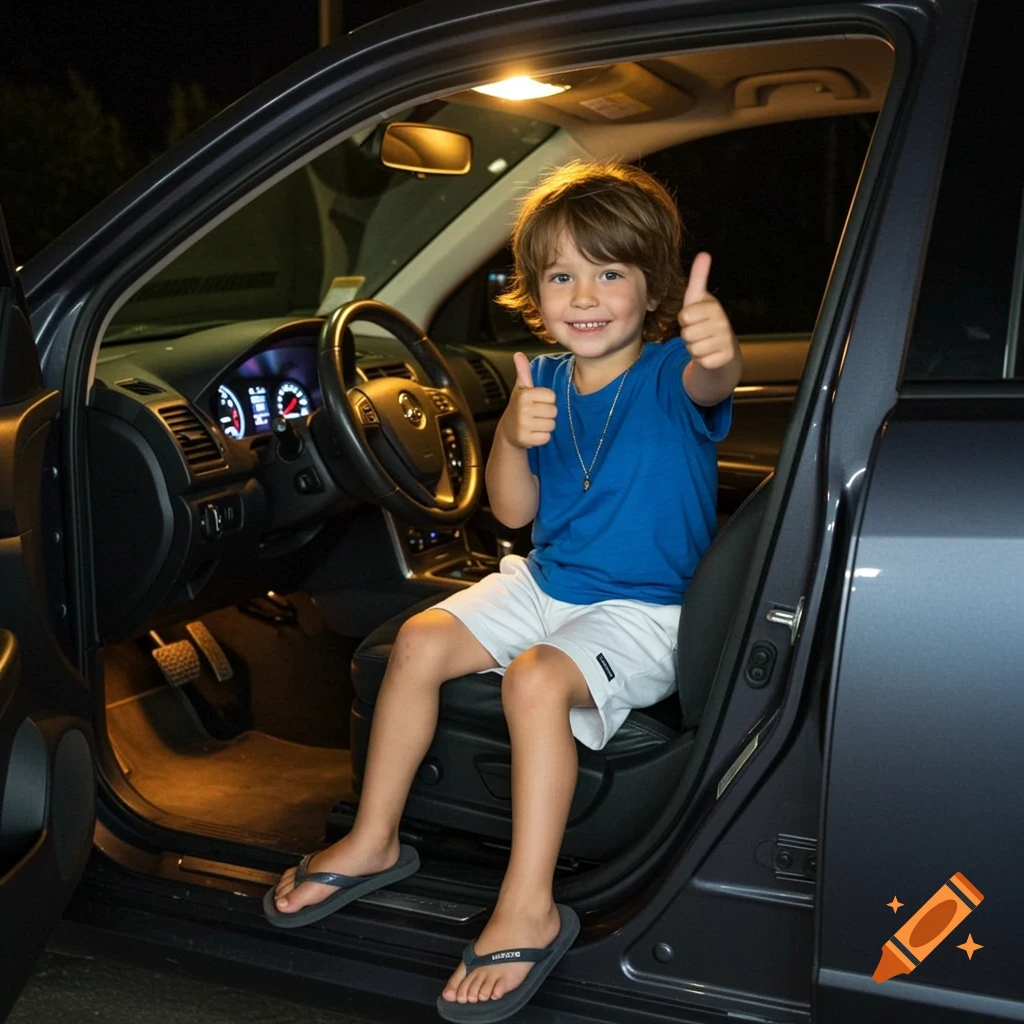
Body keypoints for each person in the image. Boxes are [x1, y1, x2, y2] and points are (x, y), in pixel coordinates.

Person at [264, 160, 742, 1022]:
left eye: (610, 273)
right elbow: (515, 516)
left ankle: (527, 902)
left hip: (645, 610)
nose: (584, 295)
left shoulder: (672, 376)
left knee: (533, 682)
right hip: (547, 582)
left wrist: (720, 349)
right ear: (535, 291)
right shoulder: (543, 382)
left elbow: (714, 382)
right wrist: (516, 442)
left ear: (651, 288)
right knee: (417, 644)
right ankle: (375, 840)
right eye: (562, 275)